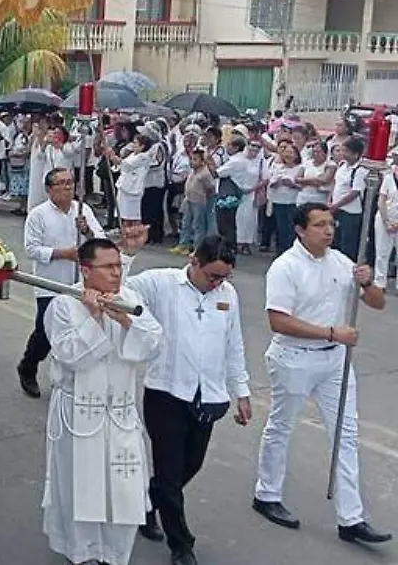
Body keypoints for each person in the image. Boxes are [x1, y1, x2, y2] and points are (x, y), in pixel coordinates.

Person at [252, 202, 389, 544]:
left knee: (346, 434)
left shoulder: (341, 261)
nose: (328, 230)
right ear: (300, 230)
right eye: (319, 225)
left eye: (331, 224)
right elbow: (278, 320)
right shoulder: (285, 267)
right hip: (294, 358)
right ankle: (266, 494)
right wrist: (331, 333)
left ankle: (351, 518)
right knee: (281, 427)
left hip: (335, 362)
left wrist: (368, 282)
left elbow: (376, 302)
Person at [120, 235, 252, 565]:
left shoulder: (228, 295)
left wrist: (242, 392)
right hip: (166, 394)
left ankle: (148, 503)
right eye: (213, 276)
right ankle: (182, 545)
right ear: (194, 261)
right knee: (170, 474)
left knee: (187, 468)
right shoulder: (162, 283)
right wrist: (126, 255)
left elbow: (233, 344)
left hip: (207, 397)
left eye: (224, 277)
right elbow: (119, 289)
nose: (218, 283)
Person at [42, 237, 162, 565]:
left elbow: (153, 342)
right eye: (108, 267)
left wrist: (124, 320)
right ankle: (83, 554)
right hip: (79, 413)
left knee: (122, 488)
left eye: (118, 266)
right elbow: (69, 356)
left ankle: (115, 553)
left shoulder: (130, 299)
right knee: (80, 487)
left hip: (120, 411)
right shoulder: (63, 304)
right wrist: (94, 318)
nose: (116, 273)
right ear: (85, 270)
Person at [18, 167, 105, 399]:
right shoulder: (38, 214)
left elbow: (101, 241)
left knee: (76, 329)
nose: (68, 187)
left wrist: (86, 232)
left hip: (80, 283)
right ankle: (28, 366)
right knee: (45, 331)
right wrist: (62, 253)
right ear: (49, 189)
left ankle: (69, 376)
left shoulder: (82, 210)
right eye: (62, 183)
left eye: (70, 182)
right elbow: (32, 249)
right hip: (50, 282)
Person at [329, 137, 368, 261]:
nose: (343, 154)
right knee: (336, 241)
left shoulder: (360, 170)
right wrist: (330, 202)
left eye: (346, 151)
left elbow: (355, 192)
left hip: (350, 211)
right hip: (336, 208)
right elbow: (336, 184)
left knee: (348, 243)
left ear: (356, 154)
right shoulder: (342, 166)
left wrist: (337, 204)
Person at [374, 155, 398, 289]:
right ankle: (379, 282)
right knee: (382, 251)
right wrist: (387, 221)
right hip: (384, 219)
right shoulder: (389, 178)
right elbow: (381, 200)